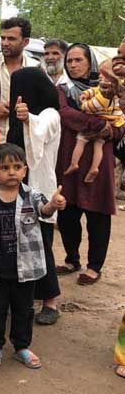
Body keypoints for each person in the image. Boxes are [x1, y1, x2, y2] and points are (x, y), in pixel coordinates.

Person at [0, 143, 65, 369]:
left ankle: (22, 347)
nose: (12, 172)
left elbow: (44, 211)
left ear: (25, 170)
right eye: (5, 168)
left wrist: (54, 204)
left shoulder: (32, 195)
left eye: (17, 167)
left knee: (24, 309)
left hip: (26, 268)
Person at [54, 43, 121, 285]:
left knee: (97, 214)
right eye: (69, 61)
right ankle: (72, 259)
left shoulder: (107, 89)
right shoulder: (62, 89)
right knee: (68, 213)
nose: (72, 65)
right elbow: (63, 113)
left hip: (98, 164)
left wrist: (111, 130)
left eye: (78, 60)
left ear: (89, 62)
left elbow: (119, 122)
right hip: (70, 158)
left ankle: (94, 266)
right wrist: (96, 123)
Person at [8, 66, 63, 325]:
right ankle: (26, 299)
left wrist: (28, 117)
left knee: (42, 245)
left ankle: (50, 300)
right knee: (22, 244)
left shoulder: (50, 114)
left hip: (40, 188)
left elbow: (43, 131)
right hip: (17, 188)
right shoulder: (15, 121)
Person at [0, 17, 40, 142]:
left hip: (24, 144)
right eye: (2, 38)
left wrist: (26, 112)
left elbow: (46, 111)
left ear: (25, 42)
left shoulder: (36, 70)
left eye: (11, 39)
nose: (5, 43)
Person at [65, 60, 125, 183]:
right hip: (110, 123)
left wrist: (83, 104)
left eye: (104, 74)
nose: (100, 76)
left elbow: (93, 106)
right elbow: (93, 90)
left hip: (103, 122)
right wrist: (85, 93)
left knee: (81, 139)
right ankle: (94, 167)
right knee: (99, 144)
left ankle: (74, 163)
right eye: (99, 73)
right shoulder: (107, 88)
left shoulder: (107, 93)